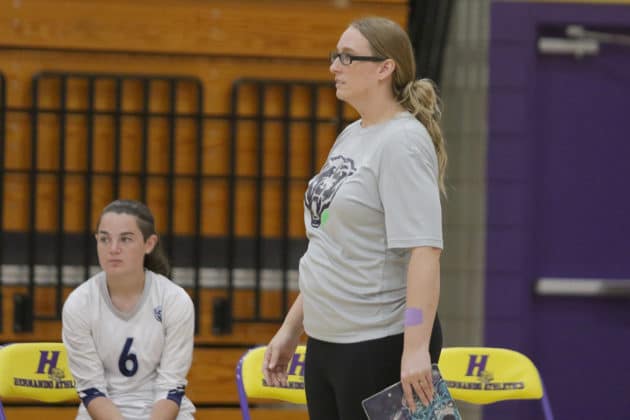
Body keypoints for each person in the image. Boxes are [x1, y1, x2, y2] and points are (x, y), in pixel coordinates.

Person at [263, 16, 447, 420]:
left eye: (347, 57)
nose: (334, 66)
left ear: (385, 68)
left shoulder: (403, 142)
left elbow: (425, 252)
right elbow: (332, 249)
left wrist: (414, 346)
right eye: (335, 56)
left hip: (378, 343)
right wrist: (293, 327)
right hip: (327, 341)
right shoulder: (353, 134)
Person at [62, 199, 196, 420]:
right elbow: (92, 389)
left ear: (149, 244)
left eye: (125, 239)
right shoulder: (79, 303)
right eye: (104, 239)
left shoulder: (174, 300)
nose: (113, 249)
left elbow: (171, 387)